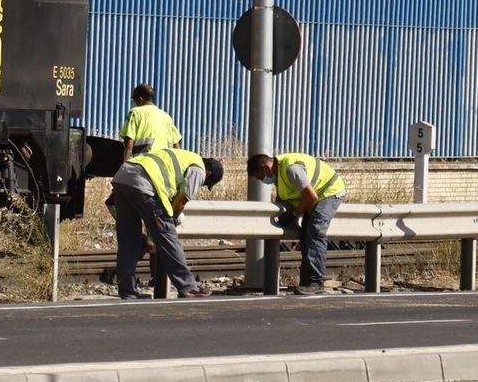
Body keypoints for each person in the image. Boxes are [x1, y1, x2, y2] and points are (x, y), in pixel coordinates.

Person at [110, 146, 224, 299]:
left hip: (123, 176)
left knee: (128, 242)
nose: (202, 184)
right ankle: (188, 287)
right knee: (168, 238)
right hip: (144, 184)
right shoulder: (199, 169)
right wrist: (172, 218)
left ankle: (127, 292)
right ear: (208, 174)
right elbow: (182, 199)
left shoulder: (184, 156)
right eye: (205, 183)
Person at [248, 153, 345, 296]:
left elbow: (312, 197)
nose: (263, 181)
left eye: (260, 177)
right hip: (315, 196)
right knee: (305, 234)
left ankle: (315, 281)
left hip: (329, 191)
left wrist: (294, 215)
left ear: (266, 168)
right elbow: (286, 198)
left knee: (315, 230)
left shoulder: (291, 169)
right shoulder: (279, 174)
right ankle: (307, 282)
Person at [120, 84, 181, 159]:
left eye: (133, 99)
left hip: (144, 164)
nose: (133, 102)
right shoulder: (166, 117)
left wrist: (126, 164)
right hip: (165, 166)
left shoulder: (135, 113)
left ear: (140, 99)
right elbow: (176, 147)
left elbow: (129, 143)